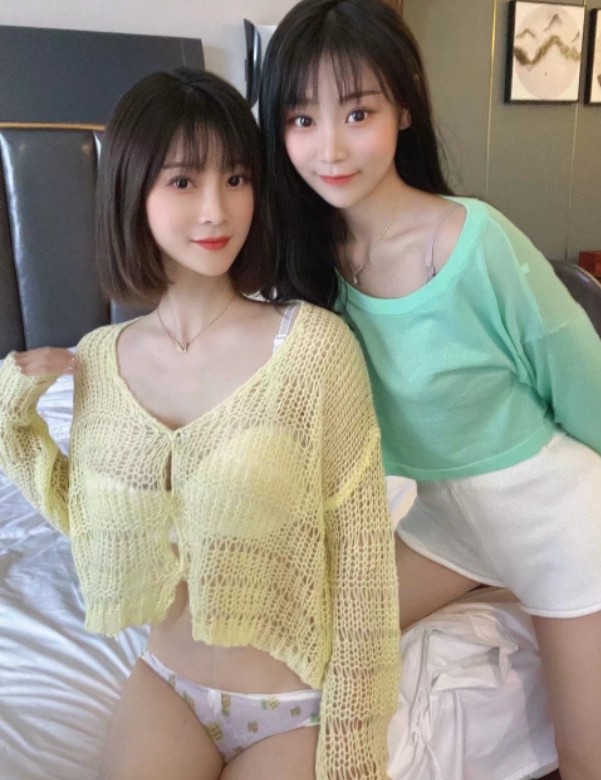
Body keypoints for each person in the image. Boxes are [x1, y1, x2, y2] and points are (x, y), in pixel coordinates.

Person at [0, 68, 400, 780]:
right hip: (167, 687)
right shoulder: (100, 360)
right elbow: (87, 518)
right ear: (132, 191)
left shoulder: (313, 349)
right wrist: (13, 413)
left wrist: (352, 739)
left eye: (236, 179)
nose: (217, 210)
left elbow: (361, 560)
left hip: (292, 706)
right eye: (183, 181)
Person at [259, 2, 601, 778]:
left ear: (403, 109)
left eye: (357, 112)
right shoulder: (308, 261)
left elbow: (582, 380)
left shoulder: (472, 241)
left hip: (557, 523)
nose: (330, 147)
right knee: (306, 647)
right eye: (302, 119)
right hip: (443, 526)